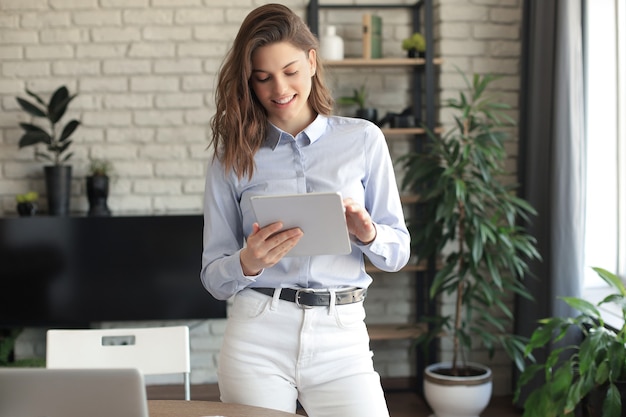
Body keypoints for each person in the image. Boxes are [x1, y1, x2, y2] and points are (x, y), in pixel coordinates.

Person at [200, 4, 410, 417]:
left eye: (290, 71)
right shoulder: (232, 158)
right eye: (263, 78)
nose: (279, 88)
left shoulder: (363, 140)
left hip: (342, 335)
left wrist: (368, 233)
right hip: (258, 333)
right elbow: (213, 277)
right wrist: (248, 262)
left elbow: (398, 252)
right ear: (249, 82)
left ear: (312, 62)